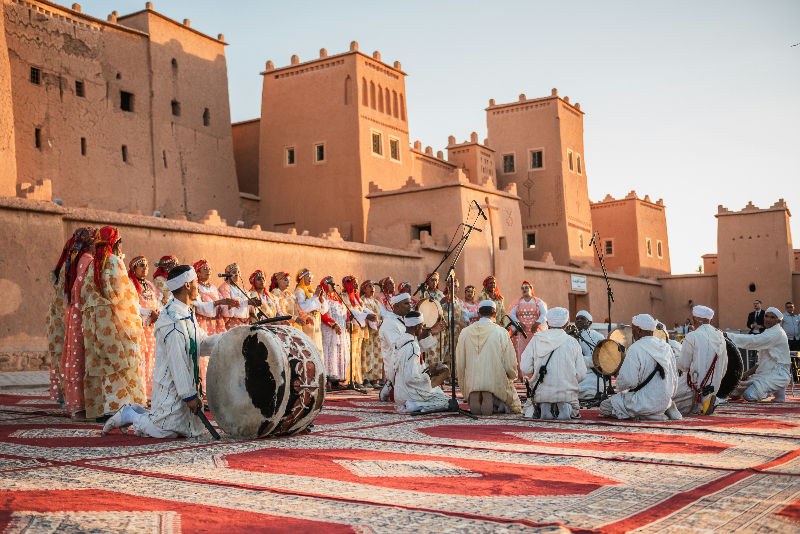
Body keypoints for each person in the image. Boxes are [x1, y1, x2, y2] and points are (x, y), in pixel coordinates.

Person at [102, 265, 225, 438]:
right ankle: (128, 415)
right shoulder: (173, 318)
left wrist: (230, 338)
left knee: (186, 430)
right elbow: (177, 360)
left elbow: (201, 343)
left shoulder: (186, 312)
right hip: (172, 386)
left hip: (183, 385)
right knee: (166, 431)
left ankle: (138, 412)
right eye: (196, 282)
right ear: (188, 285)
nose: (198, 285)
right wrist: (188, 396)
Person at [81, 226, 146, 421]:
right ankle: (122, 408)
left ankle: (105, 408)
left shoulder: (92, 266)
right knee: (122, 362)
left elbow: (86, 295)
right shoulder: (115, 262)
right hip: (114, 321)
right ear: (115, 243)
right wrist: (135, 321)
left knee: (102, 363)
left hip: (94, 324)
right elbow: (124, 296)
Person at [46, 226, 94, 420]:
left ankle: (74, 404)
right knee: (82, 358)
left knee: (71, 355)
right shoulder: (88, 262)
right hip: (82, 316)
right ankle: (81, 406)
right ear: (89, 243)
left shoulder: (70, 263)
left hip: (67, 315)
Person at [599, 314, 681, 421]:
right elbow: (674, 380)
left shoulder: (636, 348)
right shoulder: (666, 347)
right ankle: (666, 408)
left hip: (644, 401)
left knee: (605, 406)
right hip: (664, 400)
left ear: (638, 330)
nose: (632, 332)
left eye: (633, 329)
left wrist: (619, 378)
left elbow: (629, 382)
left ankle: (646, 414)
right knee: (653, 399)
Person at [455, 300, 522, 416]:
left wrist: (462, 375)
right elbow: (509, 360)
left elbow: (460, 358)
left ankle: (476, 423)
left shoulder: (465, 332)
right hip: (494, 377)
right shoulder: (501, 332)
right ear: (495, 314)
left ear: (478, 314)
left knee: (474, 395)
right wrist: (511, 374)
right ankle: (486, 422)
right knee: (487, 394)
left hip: (472, 376)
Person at [521, 307, 585, 420]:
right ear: (566, 324)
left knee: (531, 404)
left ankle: (544, 406)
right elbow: (581, 374)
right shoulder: (572, 342)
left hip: (541, 392)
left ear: (547, 323)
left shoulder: (536, 339)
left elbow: (525, 369)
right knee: (572, 403)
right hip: (567, 393)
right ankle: (565, 407)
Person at [727, 307, 791, 402]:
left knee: (749, 396)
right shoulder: (769, 331)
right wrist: (745, 374)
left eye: (772, 317)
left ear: (778, 321)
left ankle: (769, 391)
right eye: (766, 316)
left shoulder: (776, 332)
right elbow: (761, 362)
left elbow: (754, 340)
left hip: (778, 375)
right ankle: (775, 391)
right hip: (764, 374)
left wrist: (728, 336)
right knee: (733, 393)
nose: (768, 319)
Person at [672, 305, 728, 415]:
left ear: (695, 319)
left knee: (661, 400)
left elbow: (683, 366)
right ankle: (707, 401)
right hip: (713, 387)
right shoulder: (720, 336)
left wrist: (674, 358)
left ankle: (699, 404)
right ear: (710, 320)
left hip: (693, 388)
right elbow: (725, 367)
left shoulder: (692, 336)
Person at [393, 312, 450, 414]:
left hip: (398, 393)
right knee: (447, 401)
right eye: (422, 326)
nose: (423, 328)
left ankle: (410, 404)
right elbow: (410, 378)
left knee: (438, 391)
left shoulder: (400, 342)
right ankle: (415, 405)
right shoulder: (413, 347)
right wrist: (429, 373)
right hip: (409, 393)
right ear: (417, 326)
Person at [128, 256, 160, 401]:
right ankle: (138, 394)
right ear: (133, 269)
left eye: (146, 265)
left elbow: (157, 303)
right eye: (141, 265)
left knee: (151, 361)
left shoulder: (150, 285)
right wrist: (149, 314)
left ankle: (147, 394)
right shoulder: (130, 284)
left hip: (151, 329)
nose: (144, 268)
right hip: (138, 328)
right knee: (139, 360)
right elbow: (132, 306)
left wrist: (157, 313)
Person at [341, 275, 376, 386]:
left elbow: (362, 308)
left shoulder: (356, 297)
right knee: (351, 354)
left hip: (360, 329)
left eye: (357, 283)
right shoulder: (345, 296)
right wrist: (366, 316)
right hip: (352, 328)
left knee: (357, 355)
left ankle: (357, 379)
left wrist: (371, 314)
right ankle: (349, 379)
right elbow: (351, 311)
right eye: (354, 283)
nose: (356, 285)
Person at [508, 281, 548, 377]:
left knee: (535, 353)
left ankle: (535, 376)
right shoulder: (518, 302)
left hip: (535, 332)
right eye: (522, 288)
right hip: (522, 333)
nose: (524, 290)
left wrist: (538, 322)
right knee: (521, 353)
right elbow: (511, 314)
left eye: (526, 287)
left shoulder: (538, 302)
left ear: (531, 289)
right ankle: (522, 376)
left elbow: (544, 313)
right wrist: (519, 323)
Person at [378, 292, 414, 398]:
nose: (410, 306)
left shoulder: (403, 320)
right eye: (406, 304)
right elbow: (398, 348)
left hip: (407, 366)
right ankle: (391, 385)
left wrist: (429, 332)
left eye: (410, 303)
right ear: (397, 306)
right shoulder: (390, 322)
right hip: (397, 369)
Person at [320, 276, 350, 387]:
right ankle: (328, 379)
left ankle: (338, 379)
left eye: (333, 283)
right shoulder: (323, 297)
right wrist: (333, 324)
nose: (333, 285)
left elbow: (345, 310)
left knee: (339, 353)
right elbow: (323, 314)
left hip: (340, 329)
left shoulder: (337, 297)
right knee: (330, 352)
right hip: (329, 330)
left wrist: (347, 321)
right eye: (330, 283)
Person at [574, 310, 607, 401]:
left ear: (590, 323)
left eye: (582, 319)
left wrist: (582, 360)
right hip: (575, 375)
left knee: (591, 392)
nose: (579, 321)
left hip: (592, 375)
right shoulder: (571, 337)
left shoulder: (598, 336)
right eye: (577, 319)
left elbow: (601, 359)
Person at [295, 268, 326, 354]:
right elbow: (303, 308)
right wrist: (315, 295)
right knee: (310, 348)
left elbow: (323, 310)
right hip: (307, 323)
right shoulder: (299, 291)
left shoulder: (310, 290)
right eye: (307, 276)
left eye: (310, 276)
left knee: (317, 348)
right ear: (302, 278)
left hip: (316, 321)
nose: (310, 278)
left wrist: (321, 299)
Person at [419, 272, 446, 368]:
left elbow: (443, 310)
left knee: (439, 350)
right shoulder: (424, 293)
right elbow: (424, 307)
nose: (434, 282)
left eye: (436, 280)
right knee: (430, 349)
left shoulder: (440, 294)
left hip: (439, 326)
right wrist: (440, 302)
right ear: (428, 281)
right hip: (429, 326)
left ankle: (438, 375)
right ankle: (429, 374)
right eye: (432, 280)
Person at [359, 280, 383, 387]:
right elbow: (362, 314)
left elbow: (382, 314)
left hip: (377, 332)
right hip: (367, 331)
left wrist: (381, 322)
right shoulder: (362, 301)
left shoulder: (377, 302)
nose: (372, 288)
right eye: (369, 286)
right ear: (364, 289)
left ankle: (375, 379)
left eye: (373, 286)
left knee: (377, 354)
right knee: (367, 354)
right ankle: (366, 379)